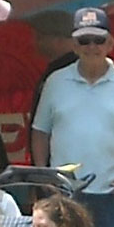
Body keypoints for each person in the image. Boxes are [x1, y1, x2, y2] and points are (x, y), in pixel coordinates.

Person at [31, 7, 114, 227]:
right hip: (66, 194)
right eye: (84, 41)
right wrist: (44, 175)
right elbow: (40, 132)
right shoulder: (55, 82)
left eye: (98, 40)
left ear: (110, 43)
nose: (91, 47)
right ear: (74, 45)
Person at [26, 9, 76, 140]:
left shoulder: (74, 71)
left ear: (59, 39)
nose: (35, 42)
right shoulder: (57, 69)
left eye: (40, 37)